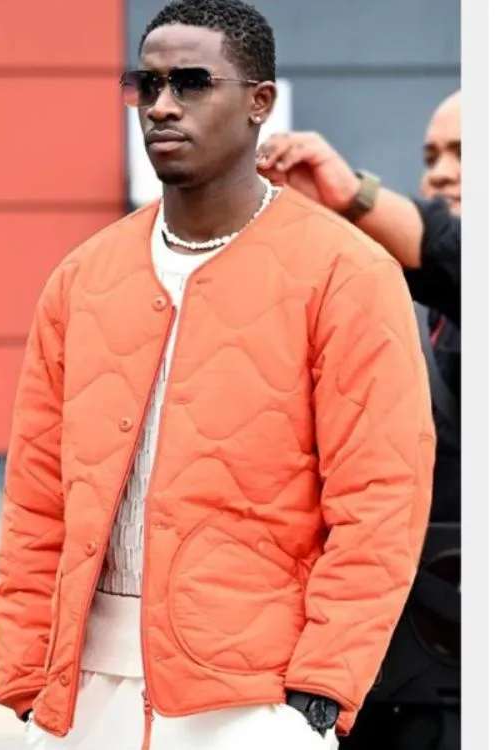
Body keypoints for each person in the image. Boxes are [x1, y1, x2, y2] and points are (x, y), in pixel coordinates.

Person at [0, 2, 436, 749]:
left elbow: (381, 497)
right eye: (147, 84)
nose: (162, 105)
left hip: (255, 698)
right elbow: (36, 495)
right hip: (81, 695)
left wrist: (324, 680)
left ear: (260, 101)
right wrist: (24, 673)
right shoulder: (82, 277)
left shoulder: (347, 272)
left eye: (192, 83)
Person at [257, 91, 461, 750]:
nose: (441, 173)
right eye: (431, 156)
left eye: (466, 154)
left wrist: (354, 197)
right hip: (383, 679)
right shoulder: (404, 306)